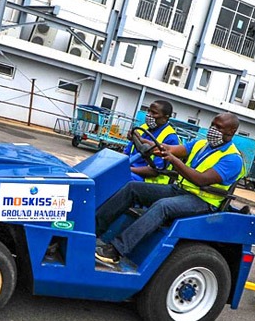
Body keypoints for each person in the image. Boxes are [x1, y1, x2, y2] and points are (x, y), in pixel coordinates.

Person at [95, 112, 245, 266]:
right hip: (181, 190)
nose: (213, 129)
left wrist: (173, 160)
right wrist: (142, 141)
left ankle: (117, 250)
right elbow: (169, 149)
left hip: (203, 201)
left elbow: (201, 180)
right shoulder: (201, 144)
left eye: (219, 127)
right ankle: (94, 229)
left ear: (231, 131)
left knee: (163, 206)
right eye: (213, 124)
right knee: (133, 188)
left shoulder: (232, 159)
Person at [125, 100, 180, 183]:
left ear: (165, 118)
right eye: (148, 111)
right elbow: (126, 153)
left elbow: (155, 171)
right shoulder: (142, 128)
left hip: (148, 180)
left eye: (154, 113)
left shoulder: (171, 138)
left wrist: (127, 169)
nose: (149, 115)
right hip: (131, 170)